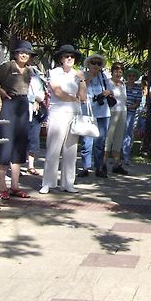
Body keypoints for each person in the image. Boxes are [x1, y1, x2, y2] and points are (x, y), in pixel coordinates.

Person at [0, 40, 34, 199]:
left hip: (23, 106)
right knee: (5, 143)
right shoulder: (8, 66)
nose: (23, 55)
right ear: (16, 54)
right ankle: (2, 187)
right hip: (8, 104)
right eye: (21, 52)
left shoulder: (30, 71)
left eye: (27, 53)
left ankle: (15, 186)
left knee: (19, 144)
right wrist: (0, 89)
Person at [40, 45, 86, 194]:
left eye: (72, 57)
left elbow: (83, 97)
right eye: (66, 56)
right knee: (53, 149)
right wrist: (74, 98)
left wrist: (82, 81)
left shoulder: (77, 74)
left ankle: (68, 183)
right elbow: (58, 92)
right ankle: (48, 182)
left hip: (73, 114)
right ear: (61, 59)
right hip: (57, 113)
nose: (69, 59)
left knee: (71, 150)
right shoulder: (54, 72)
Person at [77, 53, 113, 178]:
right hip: (87, 112)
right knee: (87, 141)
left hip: (103, 113)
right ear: (89, 64)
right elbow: (80, 90)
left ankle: (99, 167)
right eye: (94, 63)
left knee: (100, 141)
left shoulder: (104, 77)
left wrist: (107, 93)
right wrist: (90, 77)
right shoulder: (83, 75)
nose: (96, 65)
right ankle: (85, 167)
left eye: (99, 63)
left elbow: (110, 90)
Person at [104, 62, 128, 174]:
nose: (118, 73)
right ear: (112, 72)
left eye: (120, 71)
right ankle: (103, 163)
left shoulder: (123, 84)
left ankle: (116, 164)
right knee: (108, 138)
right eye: (116, 71)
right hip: (111, 112)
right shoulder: (108, 83)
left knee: (118, 138)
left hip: (122, 112)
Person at [26, 52, 47, 175]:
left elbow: (42, 93)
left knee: (33, 138)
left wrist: (38, 99)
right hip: (22, 109)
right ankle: (15, 166)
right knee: (20, 138)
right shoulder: (15, 72)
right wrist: (33, 98)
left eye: (31, 56)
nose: (30, 59)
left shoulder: (35, 73)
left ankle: (30, 165)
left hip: (36, 111)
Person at [122, 67, 142, 165]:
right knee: (118, 133)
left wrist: (130, 107)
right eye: (129, 75)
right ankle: (115, 154)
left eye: (133, 76)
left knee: (128, 134)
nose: (131, 77)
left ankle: (126, 156)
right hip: (120, 111)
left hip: (130, 112)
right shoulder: (122, 86)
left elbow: (138, 103)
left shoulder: (138, 88)